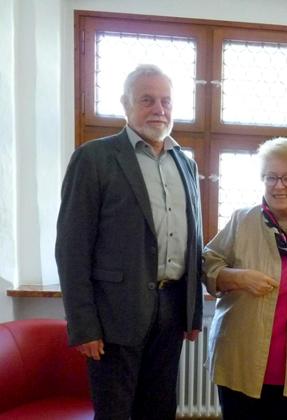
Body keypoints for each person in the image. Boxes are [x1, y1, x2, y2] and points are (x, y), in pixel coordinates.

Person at [55, 64, 203, 420]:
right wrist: (83, 326)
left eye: (166, 101)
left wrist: (193, 311)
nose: (159, 109)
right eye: (147, 100)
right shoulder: (94, 158)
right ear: (125, 104)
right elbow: (72, 248)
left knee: (159, 408)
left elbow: (193, 241)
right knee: (116, 412)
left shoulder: (186, 163)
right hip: (113, 315)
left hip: (171, 310)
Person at [203, 137, 287, 420]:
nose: (279, 186)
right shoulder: (243, 220)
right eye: (271, 177)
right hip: (241, 352)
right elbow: (208, 261)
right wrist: (236, 277)